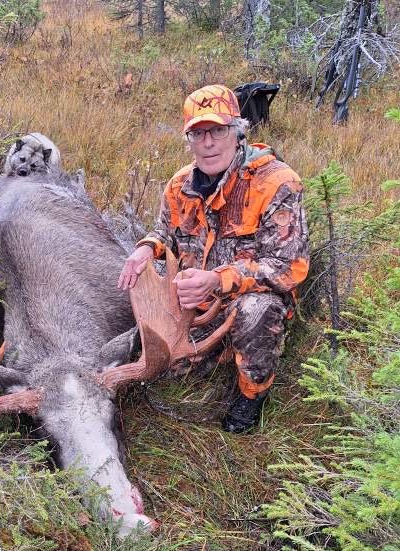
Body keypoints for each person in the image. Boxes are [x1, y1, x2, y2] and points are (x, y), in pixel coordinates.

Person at [118, 84, 309, 432]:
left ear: (238, 131)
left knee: (257, 312)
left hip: (245, 304)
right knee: (166, 371)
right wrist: (147, 247)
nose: (208, 143)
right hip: (197, 306)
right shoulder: (180, 186)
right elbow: (166, 232)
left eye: (217, 131)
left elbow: (288, 268)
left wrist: (219, 280)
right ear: (189, 140)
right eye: (198, 133)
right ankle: (218, 353)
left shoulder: (277, 183)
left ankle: (251, 395)